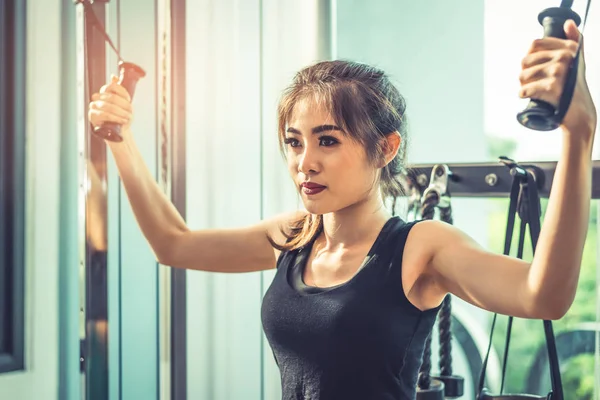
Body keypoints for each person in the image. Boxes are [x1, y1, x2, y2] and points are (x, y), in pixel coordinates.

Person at [88, 20, 597, 400]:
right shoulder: (296, 235)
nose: (304, 162)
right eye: (294, 142)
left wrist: (577, 136)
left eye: (327, 141)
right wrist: (122, 141)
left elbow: (543, 295)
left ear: (385, 147)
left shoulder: (418, 247)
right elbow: (173, 244)